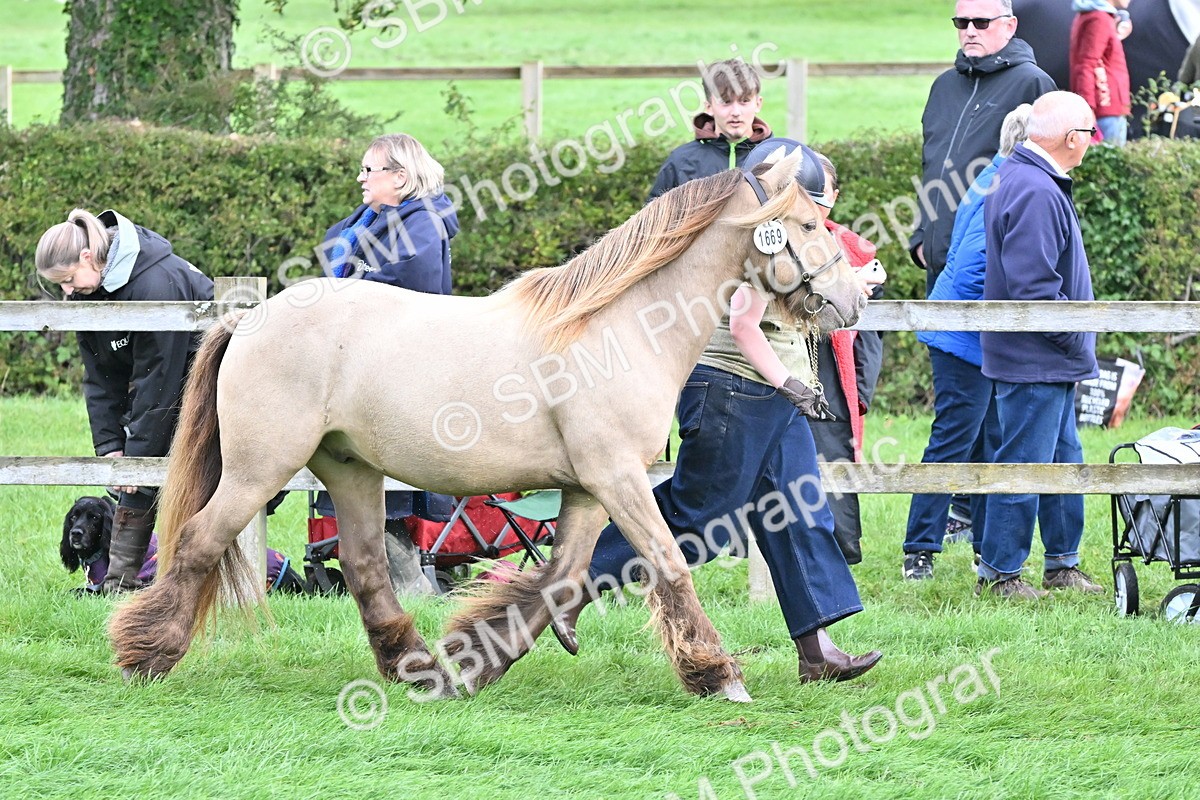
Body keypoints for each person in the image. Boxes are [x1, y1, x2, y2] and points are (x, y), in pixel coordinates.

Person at [555, 140, 883, 684]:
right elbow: (744, 325)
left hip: (773, 395)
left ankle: (817, 651)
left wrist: (845, 284)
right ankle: (572, 585)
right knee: (699, 514)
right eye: (819, 199)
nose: (825, 209)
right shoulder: (764, 238)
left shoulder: (795, 237)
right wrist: (789, 383)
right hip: (736, 388)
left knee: (800, 512)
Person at [35, 209, 215, 593]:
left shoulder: (155, 284)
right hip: (165, 384)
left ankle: (190, 584)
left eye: (68, 279)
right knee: (134, 474)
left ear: (88, 257)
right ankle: (118, 585)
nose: (67, 291)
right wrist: (111, 446)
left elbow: (160, 380)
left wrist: (136, 458)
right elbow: (100, 377)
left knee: (186, 481)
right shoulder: (89, 291)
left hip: (211, 385)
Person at [315, 132, 461, 596]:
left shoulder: (422, 225)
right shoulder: (370, 221)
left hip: (401, 371)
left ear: (399, 177)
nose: (361, 178)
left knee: (389, 473)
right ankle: (390, 581)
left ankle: (408, 584)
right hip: (361, 369)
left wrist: (347, 288)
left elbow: (406, 294)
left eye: (368, 169)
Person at [977, 91, 1104, 600]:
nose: (1093, 141)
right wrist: (1076, 338)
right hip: (1036, 359)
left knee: (1062, 460)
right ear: (1072, 139)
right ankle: (1000, 574)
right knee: (1025, 465)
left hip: (1046, 358)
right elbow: (1035, 291)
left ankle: (1062, 564)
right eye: (1091, 132)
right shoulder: (1035, 188)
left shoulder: (1023, 175)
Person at [900, 104, 1032, 580]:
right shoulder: (1003, 185)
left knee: (987, 441)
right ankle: (919, 549)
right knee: (954, 441)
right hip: (964, 337)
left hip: (970, 335)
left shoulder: (996, 178)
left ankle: (983, 547)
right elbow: (975, 269)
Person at [910, 0, 1056, 294]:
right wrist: (922, 235)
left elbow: (1046, 183)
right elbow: (932, 165)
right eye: (962, 23)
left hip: (990, 266)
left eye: (981, 22)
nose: (970, 31)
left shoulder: (1033, 84)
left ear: (1010, 25)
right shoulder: (943, 86)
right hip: (939, 266)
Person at [807, 152, 886, 566]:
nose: (812, 199)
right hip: (780, 367)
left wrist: (861, 392)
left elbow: (871, 335)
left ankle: (835, 558)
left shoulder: (855, 249)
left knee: (833, 466)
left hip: (833, 375)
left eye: (820, 190)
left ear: (835, 196)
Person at [647, 57, 772, 201]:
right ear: (709, 107)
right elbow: (655, 213)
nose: (736, 112)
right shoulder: (681, 161)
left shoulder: (775, 157)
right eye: (725, 102)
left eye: (744, 101)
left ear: (758, 104)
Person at [1070, 0, 1134, 147]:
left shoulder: (1094, 15)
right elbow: (1086, 64)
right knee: (1111, 158)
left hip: (1105, 107)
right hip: (1106, 107)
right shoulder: (1099, 18)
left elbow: (1095, 58)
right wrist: (1088, 106)